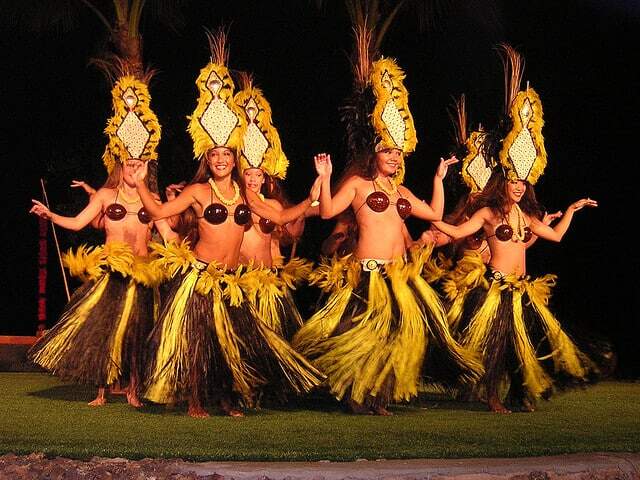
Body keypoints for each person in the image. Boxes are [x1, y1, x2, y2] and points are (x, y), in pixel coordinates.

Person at [135, 30, 324, 418]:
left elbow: (281, 217)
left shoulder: (245, 195)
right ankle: (195, 401)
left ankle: (226, 399)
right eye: (215, 153)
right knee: (200, 342)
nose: (221, 159)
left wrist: (309, 199)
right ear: (209, 157)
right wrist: (139, 183)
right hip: (201, 276)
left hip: (233, 279)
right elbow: (157, 215)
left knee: (233, 342)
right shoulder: (199, 191)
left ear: (235, 158)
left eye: (227, 153)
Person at [292, 39, 483, 415]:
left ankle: (378, 398)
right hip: (366, 275)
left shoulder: (403, 191)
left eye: (397, 152)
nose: (394, 157)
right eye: (387, 151)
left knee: (395, 339)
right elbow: (328, 212)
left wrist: (441, 178)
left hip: (397, 278)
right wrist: (326, 176)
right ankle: (354, 395)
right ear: (374, 154)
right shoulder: (359, 186)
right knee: (362, 338)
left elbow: (432, 213)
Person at [432, 64, 598, 412]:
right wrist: (437, 224)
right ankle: (491, 396)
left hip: (522, 288)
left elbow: (553, 237)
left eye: (523, 183)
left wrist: (571, 210)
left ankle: (519, 395)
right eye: (513, 181)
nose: (519, 186)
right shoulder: (489, 214)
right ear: (503, 182)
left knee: (523, 346)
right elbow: (461, 231)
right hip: (495, 287)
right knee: (495, 347)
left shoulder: (527, 215)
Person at [29, 68, 174, 407]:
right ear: (119, 165)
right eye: (128, 164)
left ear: (146, 167)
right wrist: (50, 215)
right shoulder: (106, 197)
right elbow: (80, 223)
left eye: (139, 164)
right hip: (111, 273)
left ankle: (135, 391)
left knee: (138, 336)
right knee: (103, 334)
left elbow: (167, 234)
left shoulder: (152, 201)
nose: (133, 169)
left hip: (142, 273)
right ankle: (101, 392)